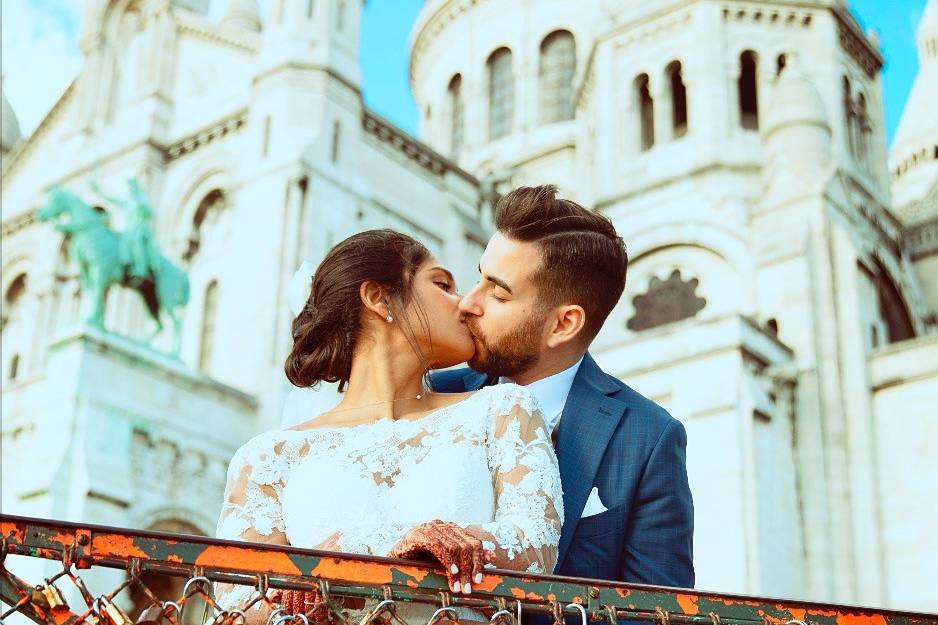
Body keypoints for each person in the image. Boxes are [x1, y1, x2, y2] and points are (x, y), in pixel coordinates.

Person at [214, 229, 563, 624]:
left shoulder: (502, 410)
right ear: (379, 298)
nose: (465, 303)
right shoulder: (268, 458)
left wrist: (416, 549)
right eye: (442, 283)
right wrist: (369, 560)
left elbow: (537, 547)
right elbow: (233, 610)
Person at [432, 185, 694, 587]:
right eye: (479, 278)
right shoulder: (434, 392)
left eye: (498, 293)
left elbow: (656, 609)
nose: (468, 302)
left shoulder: (649, 439)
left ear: (563, 324)